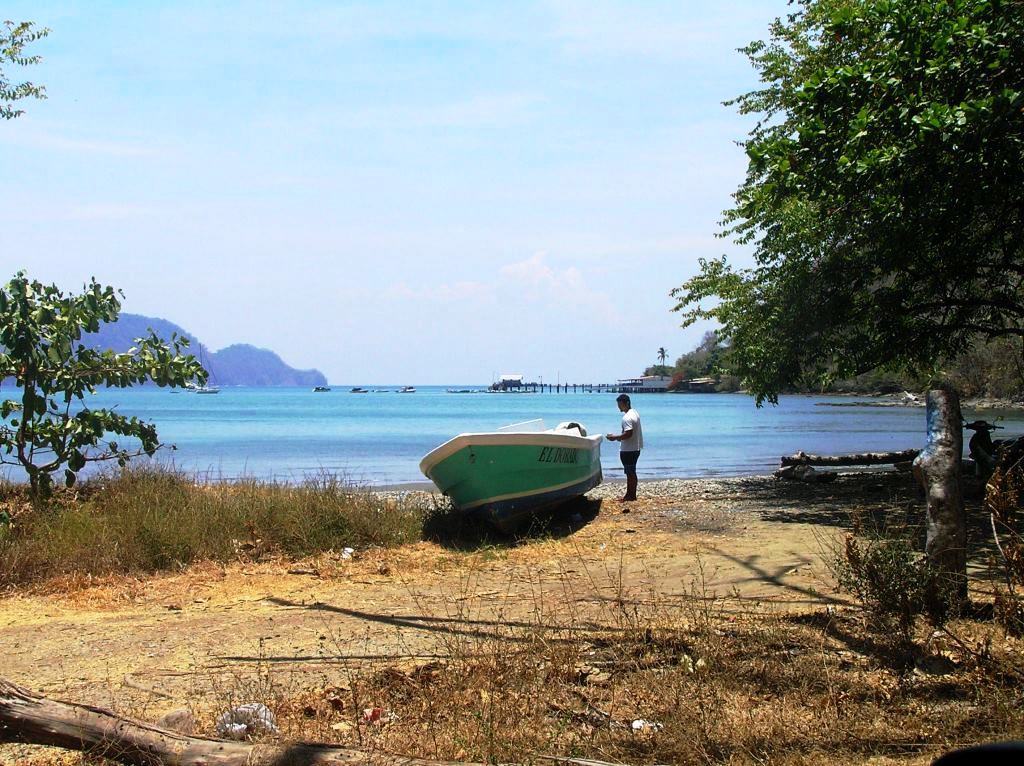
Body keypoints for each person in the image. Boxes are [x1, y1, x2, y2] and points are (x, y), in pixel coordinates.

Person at [606, 394, 642, 502]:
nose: (619, 407)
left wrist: (615, 437)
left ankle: (630, 495)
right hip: (635, 447)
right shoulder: (635, 413)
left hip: (628, 449)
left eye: (620, 404)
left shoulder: (627, 417)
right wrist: (619, 438)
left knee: (630, 473)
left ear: (627, 403)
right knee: (631, 472)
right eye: (618, 404)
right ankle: (631, 494)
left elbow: (628, 433)